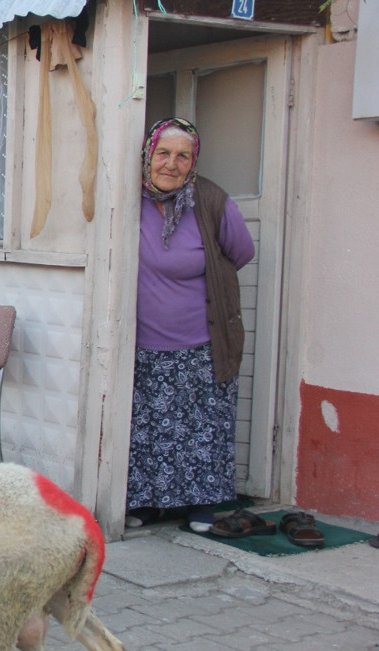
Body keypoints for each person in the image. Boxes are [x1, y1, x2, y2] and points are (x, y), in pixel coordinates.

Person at [125, 117, 256, 534]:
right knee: (147, 428)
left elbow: (240, 252)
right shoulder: (129, 200)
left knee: (203, 427)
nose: (171, 164)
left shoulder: (212, 202)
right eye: (163, 153)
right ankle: (149, 503)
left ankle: (202, 504)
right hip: (143, 342)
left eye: (183, 156)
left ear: (193, 160)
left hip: (202, 341)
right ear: (148, 156)